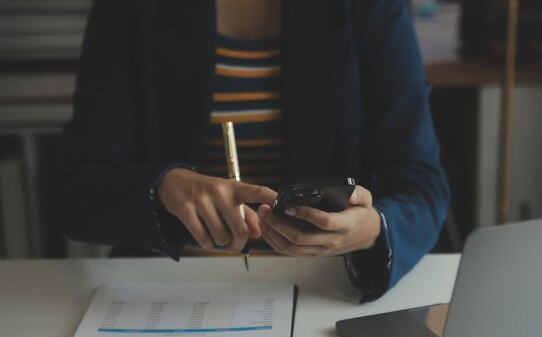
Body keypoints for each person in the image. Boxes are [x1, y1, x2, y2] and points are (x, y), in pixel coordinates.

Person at [58, 0, 451, 303]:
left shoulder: (368, 7)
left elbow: (422, 183)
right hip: (167, 292)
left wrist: (375, 229)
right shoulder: (131, 8)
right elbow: (78, 187)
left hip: (325, 291)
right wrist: (162, 187)